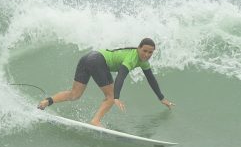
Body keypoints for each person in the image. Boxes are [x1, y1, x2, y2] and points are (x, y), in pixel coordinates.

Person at [37, 38, 174, 127]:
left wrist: (162, 98)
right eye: (144, 51)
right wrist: (116, 97)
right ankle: (95, 121)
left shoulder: (143, 62)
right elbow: (121, 75)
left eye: (150, 52)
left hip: (87, 58)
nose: (147, 55)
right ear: (138, 48)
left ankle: (46, 102)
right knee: (110, 96)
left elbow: (151, 79)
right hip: (97, 61)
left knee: (75, 94)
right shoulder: (132, 58)